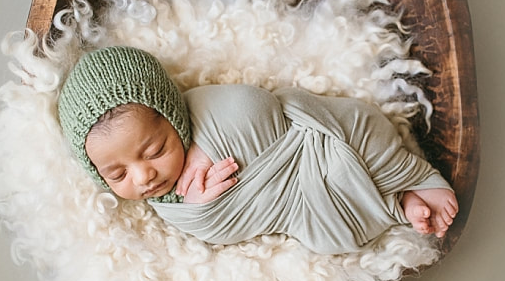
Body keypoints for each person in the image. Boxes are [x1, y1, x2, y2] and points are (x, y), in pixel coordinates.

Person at [58, 46, 458, 255]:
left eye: (155, 149)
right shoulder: (169, 203)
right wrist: (197, 204)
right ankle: (397, 205)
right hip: (294, 201)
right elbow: (220, 226)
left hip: (305, 127)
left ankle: (411, 176)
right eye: (117, 175)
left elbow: (257, 105)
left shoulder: (204, 108)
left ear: (173, 116)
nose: (144, 175)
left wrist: (209, 145)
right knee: (328, 234)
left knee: (362, 125)